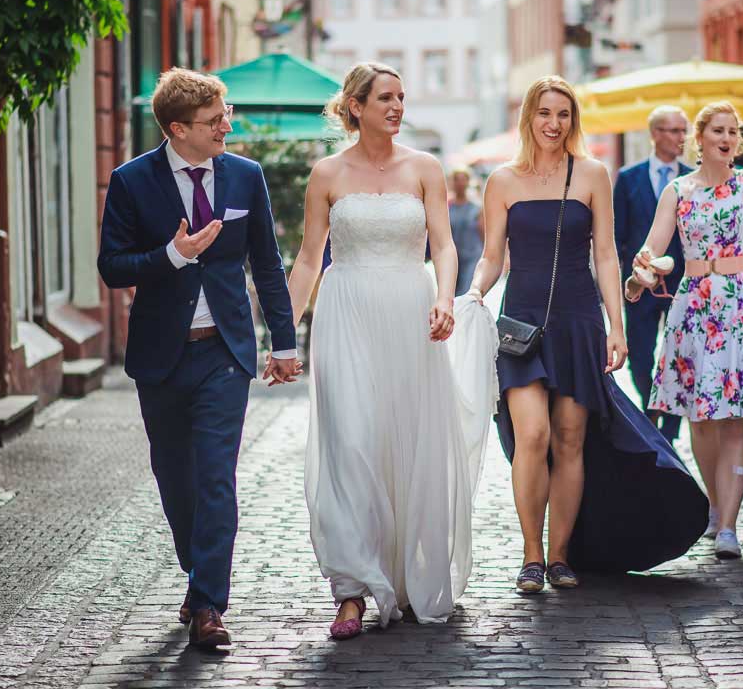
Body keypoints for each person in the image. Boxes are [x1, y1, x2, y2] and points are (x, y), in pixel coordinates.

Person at [465, 76, 707, 593]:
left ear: (573, 120)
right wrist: (474, 294)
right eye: (544, 113)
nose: (553, 124)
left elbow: (606, 255)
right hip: (521, 323)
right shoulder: (502, 181)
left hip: (579, 320)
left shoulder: (593, 174)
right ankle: (531, 555)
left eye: (563, 114)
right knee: (532, 434)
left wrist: (617, 326)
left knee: (570, 438)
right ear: (528, 117)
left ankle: (559, 556)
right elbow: (491, 256)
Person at [97, 67, 300, 649]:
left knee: (216, 477)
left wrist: (283, 342)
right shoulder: (132, 181)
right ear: (178, 128)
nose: (226, 127)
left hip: (225, 353)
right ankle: (198, 572)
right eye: (214, 121)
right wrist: (173, 254)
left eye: (225, 115)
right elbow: (112, 266)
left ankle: (209, 604)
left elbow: (267, 263)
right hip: (161, 356)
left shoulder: (245, 176)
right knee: (175, 479)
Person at [285, 62, 480, 639]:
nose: (397, 107)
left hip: (410, 312)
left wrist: (444, 298)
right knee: (352, 441)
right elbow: (308, 258)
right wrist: (282, 336)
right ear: (356, 106)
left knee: (405, 442)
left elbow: (444, 246)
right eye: (385, 98)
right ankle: (352, 590)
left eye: (401, 97)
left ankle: (407, 575)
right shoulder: (326, 173)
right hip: (345, 313)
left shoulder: (425, 168)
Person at [638, 54, 743, 560]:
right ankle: (714, 506)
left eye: (734, 132)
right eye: (718, 130)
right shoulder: (677, 191)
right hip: (694, 307)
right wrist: (643, 272)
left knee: (736, 418)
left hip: (740, 306)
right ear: (700, 138)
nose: (728, 138)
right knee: (701, 418)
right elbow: (655, 247)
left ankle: (729, 525)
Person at [613, 105, 694, 442]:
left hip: (682, 283)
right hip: (640, 284)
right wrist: (627, 277)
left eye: (684, 130)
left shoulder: (692, 179)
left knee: (679, 356)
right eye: (674, 130)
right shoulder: (628, 178)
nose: (681, 137)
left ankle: (670, 427)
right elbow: (616, 235)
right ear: (655, 134)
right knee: (640, 355)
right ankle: (651, 408)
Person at [448, 167, 484, 295]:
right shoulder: (447, 206)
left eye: (463, 179)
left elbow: (483, 232)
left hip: (472, 257)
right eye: (456, 179)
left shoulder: (477, 208)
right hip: (452, 258)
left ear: (468, 182)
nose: (460, 183)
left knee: (465, 292)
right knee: (451, 293)